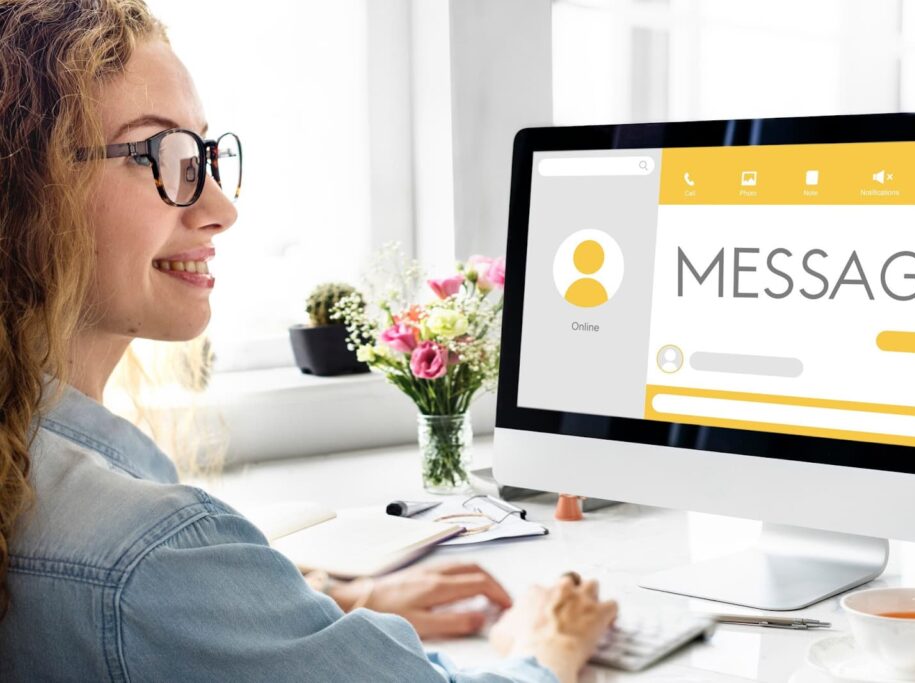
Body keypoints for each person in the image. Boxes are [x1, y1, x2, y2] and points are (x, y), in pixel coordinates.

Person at [0, 1, 617, 680]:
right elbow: (146, 583)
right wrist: (546, 647)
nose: (221, 209)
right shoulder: (149, 552)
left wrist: (327, 598)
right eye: (164, 154)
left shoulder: (35, 472)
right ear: (29, 190)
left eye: (204, 153)